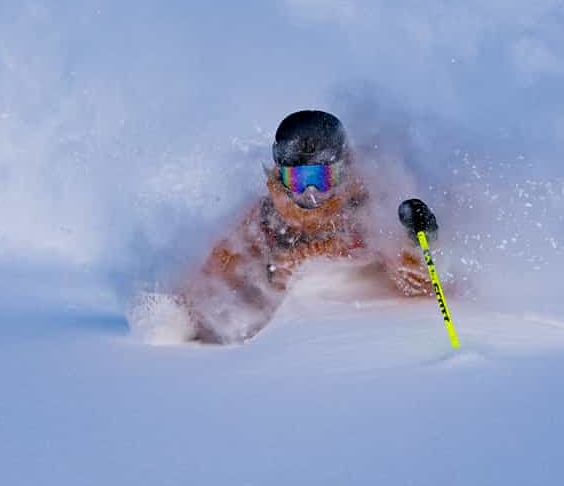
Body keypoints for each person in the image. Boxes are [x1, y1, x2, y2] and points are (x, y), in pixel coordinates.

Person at [170, 109, 438, 345]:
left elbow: (420, 286)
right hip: (274, 344)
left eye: (322, 178)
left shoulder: (366, 211)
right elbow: (211, 277)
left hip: (361, 335)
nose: (311, 193)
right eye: (298, 179)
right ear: (279, 174)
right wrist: (176, 320)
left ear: (344, 171)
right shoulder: (264, 220)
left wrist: (419, 243)